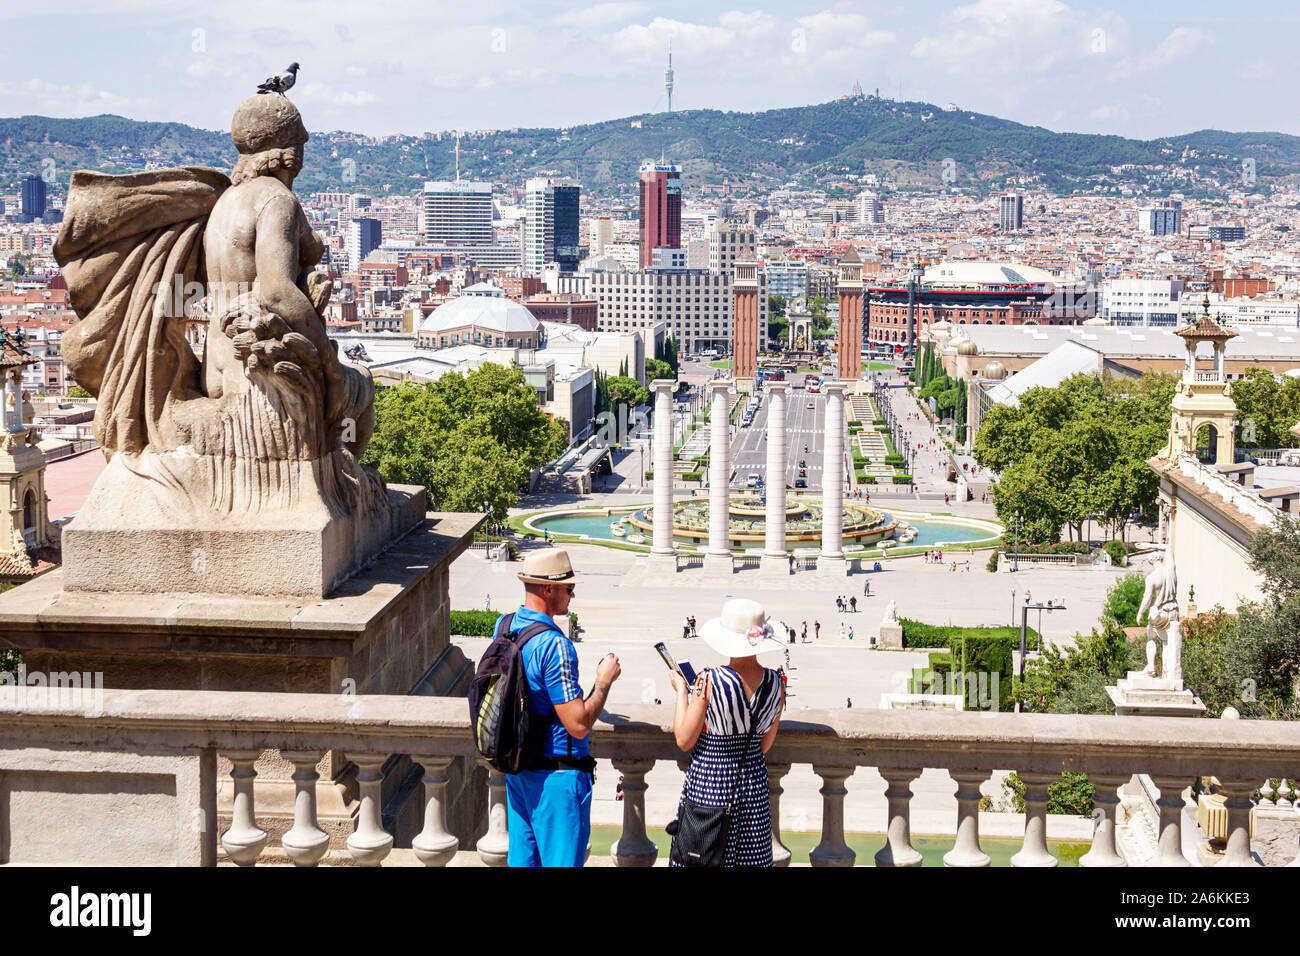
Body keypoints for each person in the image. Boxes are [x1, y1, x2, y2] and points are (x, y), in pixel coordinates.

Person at [501, 549, 621, 868]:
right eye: (569, 588)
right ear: (548, 589)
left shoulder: (505, 625)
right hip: (557, 778)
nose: (572, 594)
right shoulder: (555, 645)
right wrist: (603, 681)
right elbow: (578, 723)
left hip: (517, 767)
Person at [669, 598, 786, 868]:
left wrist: (681, 693)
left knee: (701, 856)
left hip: (712, 780)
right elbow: (765, 744)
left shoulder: (709, 680)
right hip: (753, 782)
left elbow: (684, 739)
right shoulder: (776, 684)